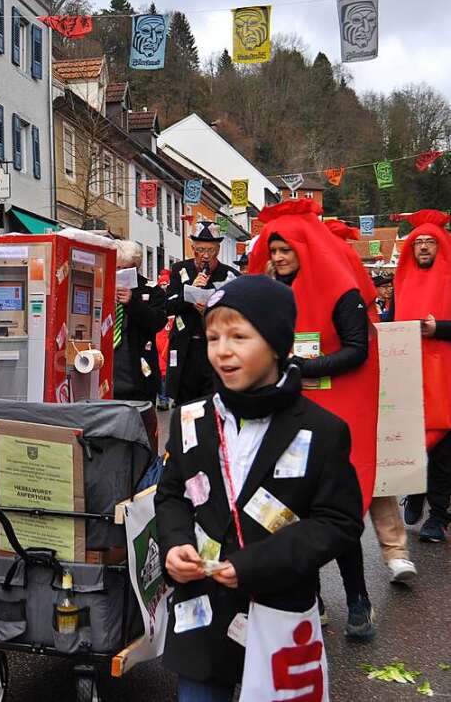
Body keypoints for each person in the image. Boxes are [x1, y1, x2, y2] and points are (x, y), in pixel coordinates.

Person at [155, 276, 363, 702]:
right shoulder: (191, 418)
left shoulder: (322, 430)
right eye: (213, 337)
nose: (222, 350)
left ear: (277, 345)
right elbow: (172, 493)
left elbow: (337, 522)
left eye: (239, 336)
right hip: (202, 616)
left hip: (277, 614)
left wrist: (257, 564)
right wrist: (175, 543)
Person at [250, 199, 382, 639]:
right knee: (288, 510)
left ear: (305, 249)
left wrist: (304, 367)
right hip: (284, 413)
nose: (279, 258)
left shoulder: (343, 294)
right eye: (274, 251)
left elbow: (357, 350)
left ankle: (359, 600)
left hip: (334, 417)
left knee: (337, 511)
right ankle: (314, 599)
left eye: (286, 250)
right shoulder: (272, 293)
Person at [322, 219, 417, 585]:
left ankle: (395, 551)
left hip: (361, 385)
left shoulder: (355, 296)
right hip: (321, 390)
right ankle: (309, 578)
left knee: (376, 467)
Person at [393, 210, 451, 543]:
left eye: (431, 242)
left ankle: (438, 516)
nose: (425, 247)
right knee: (411, 440)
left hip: (444, 376)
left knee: (443, 449)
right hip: (409, 373)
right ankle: (415, 492)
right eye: (419, 243)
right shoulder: (403, 282)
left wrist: (438, 328)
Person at [165, 221, 240, 405]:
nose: (205, 255)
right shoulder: (179, 270)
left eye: (211, 250)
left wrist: (210, 311)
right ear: (192, 248)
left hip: (215, 346)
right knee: (186, 404)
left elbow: (236, 314)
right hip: (187, 347)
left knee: (214, 400)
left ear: (218, 250)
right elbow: (167, 306)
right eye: (200, 250)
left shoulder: (230, 275)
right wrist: (189, 292)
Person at [110, 240, 167, 444]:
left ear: (136, 268)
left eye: (125, 269)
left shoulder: (151, 290)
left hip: (139, 378)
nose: (119, 274)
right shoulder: (102, 284)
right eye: (116, 268)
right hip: (109, 377)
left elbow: (157, 323)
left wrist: (133, 302)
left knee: (142, 437)